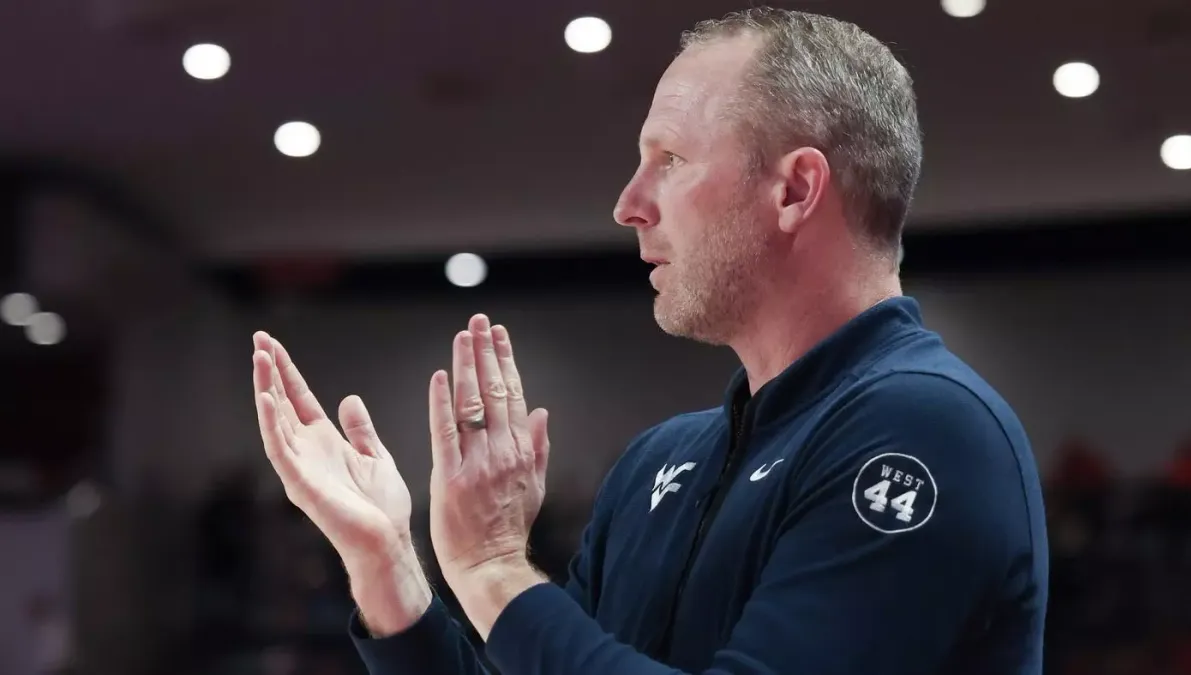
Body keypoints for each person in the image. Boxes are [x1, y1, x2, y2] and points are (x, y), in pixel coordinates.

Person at [250, 7, 1048, 675]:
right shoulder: (657, 462)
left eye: (669, 159)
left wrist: (492, 566)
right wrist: (387, 565)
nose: (629, 203)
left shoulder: (928, 429)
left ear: (795, 189)